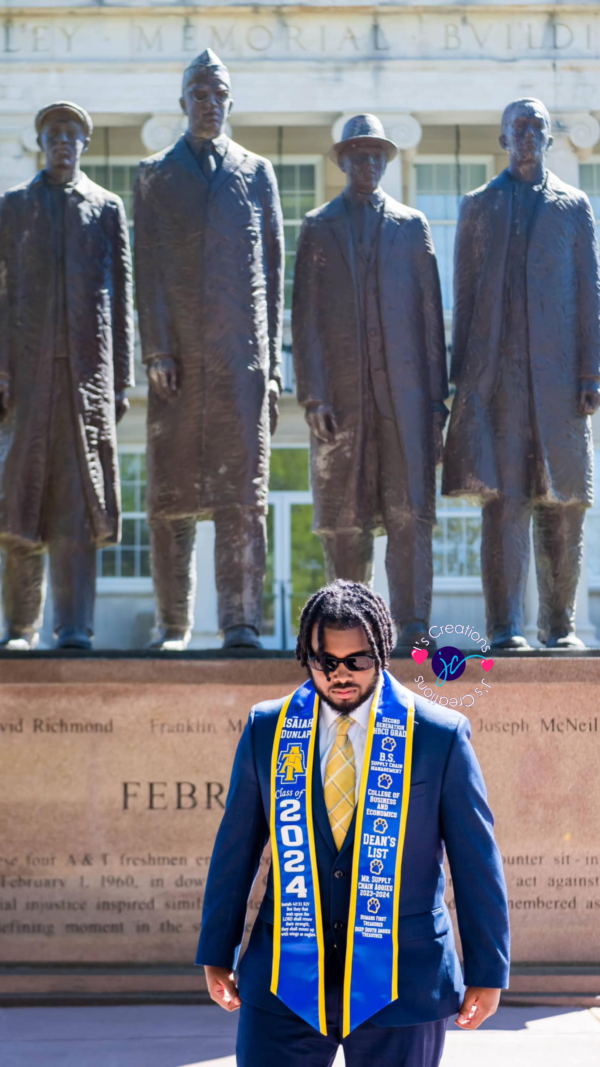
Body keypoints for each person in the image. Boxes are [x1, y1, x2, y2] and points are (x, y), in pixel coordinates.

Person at [196, 580, 510, 1066]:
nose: (340, 674)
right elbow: (235, 850)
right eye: (326, 661)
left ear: (381, 653)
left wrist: (488, 971)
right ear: (308, 655)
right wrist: (217, 950)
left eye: (357, 661)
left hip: (404, 984)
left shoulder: (437, 736)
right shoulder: (268, 729)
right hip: (285, 980)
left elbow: (476, 862)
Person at [134, 49, 284, 651]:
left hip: (241, 362)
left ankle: (240, 620)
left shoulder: (256, 172)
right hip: (176, 364)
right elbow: (144, 270)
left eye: (219, 94)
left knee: (243, 499)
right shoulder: (154, 175)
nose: (210, 103)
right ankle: (173, 625)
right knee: (170, 499)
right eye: (199, 93)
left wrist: (272, 371)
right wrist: (155, 351)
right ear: (183, 103)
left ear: (229, 102)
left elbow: (273, 276)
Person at [443, 98, 600, 649]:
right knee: (504, 501)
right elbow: (463, 295)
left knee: (563, 504)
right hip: (497, 382)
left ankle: (560, 627)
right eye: (519, 127)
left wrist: (591, 373)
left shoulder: (574, 206)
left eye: (538, 127)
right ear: (504, 138)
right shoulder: (478, 206)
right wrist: (460, 382)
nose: (529, 135)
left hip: (559, 383)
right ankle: (504, 626)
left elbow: (589, 293)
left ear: (549, 139)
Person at [292, 115, 448, 650]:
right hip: (340, 400)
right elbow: (305, 315)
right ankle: (348, 628)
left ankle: (412, 625)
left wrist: (436, 404)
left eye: (377, 154)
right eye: (359, 154)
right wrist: (311, 392)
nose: (369, 163)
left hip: (404, 402)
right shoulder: (318, 225)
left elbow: (432, 319)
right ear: (343, 160)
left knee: (410, 512)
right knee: (345, 516)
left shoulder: (412, 225)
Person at [0, 101, 134, 650]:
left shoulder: (106, 209)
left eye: (71, 134)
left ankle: (74, 625)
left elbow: (121, 298)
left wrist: (121, 379)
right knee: (20, 505)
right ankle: (20, 627)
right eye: (53, 133)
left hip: (86, 384)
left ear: (83, 143)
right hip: (26, 385)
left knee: (78, 509)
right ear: (41, 143)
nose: (62, 141)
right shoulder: (12, 208)